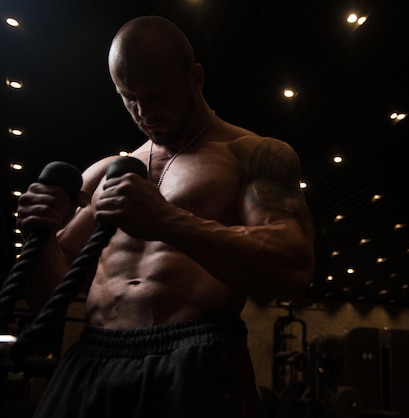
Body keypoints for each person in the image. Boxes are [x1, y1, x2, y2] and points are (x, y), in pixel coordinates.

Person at [15, 15, 315, 418]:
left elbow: (294, 267)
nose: (143, 112)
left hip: (195, 355)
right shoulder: (105, 171)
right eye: (128, 97)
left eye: (156, 94)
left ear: (194, 77)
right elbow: (45, 298)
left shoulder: (251, 154)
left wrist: (166, 221)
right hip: (92, 357)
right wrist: (41, 235)